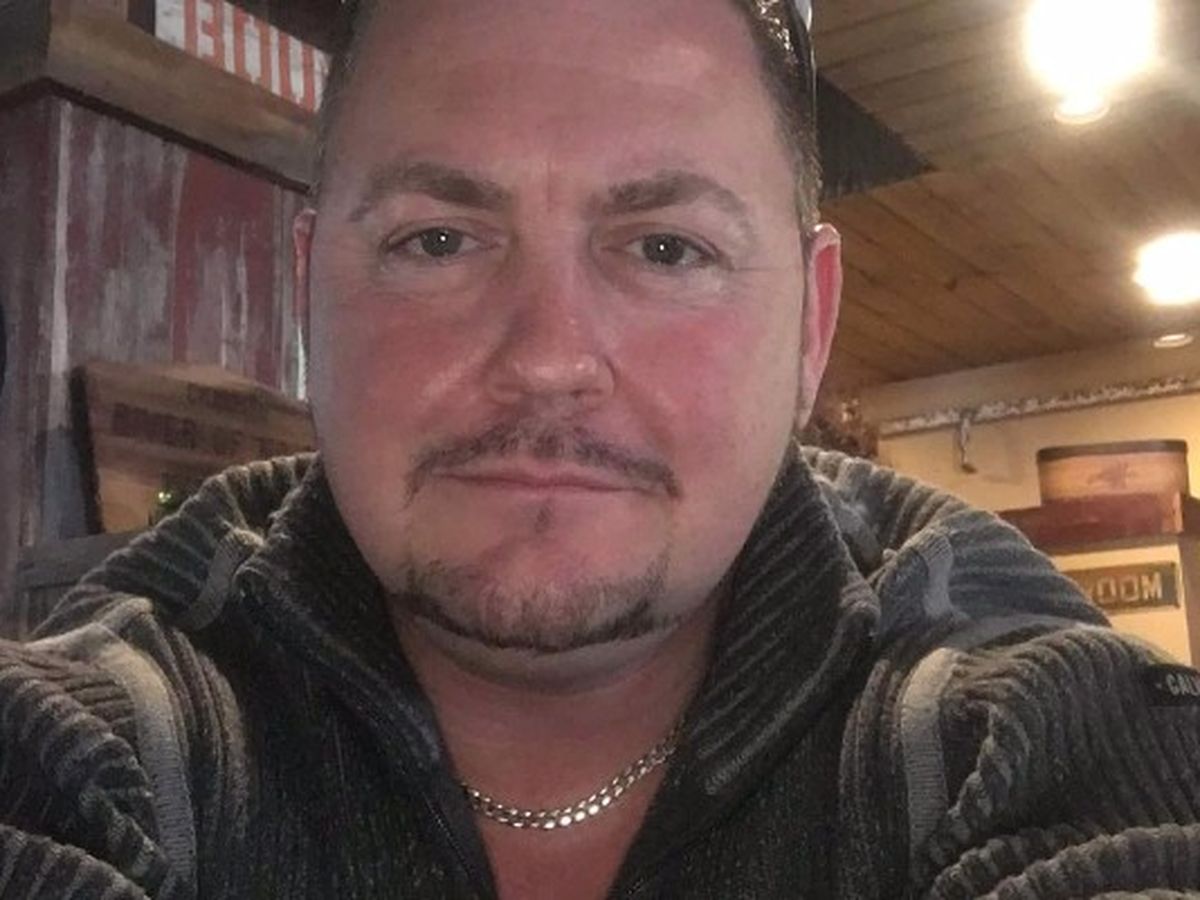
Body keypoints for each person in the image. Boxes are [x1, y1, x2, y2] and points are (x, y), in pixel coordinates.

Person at [3, 0, 1199, 897]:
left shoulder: (1037, 731)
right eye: (436, 240)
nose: (548, 356)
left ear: (811, 327)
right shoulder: (93, 734)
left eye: (667, 248)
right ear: (311, 289)